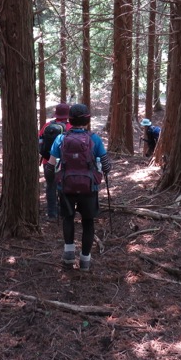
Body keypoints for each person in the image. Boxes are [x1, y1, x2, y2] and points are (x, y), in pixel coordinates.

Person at [48, 103, 111, 272]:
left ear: (70, 120)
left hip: (66, 187)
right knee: (88, 222)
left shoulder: (61, 139)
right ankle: (85, 261)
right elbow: (106, 166)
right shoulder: (94, 139)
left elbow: (51, 164)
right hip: (89, 188)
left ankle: (68, 256)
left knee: (68, 218)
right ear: (87, 120)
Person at [38, 103, 71, 220]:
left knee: (50, 186)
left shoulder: (47, 125)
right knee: (65, 186)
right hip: (65, 164)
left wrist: (46, 156)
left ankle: (52, 214)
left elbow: (39, 143)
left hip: (48, 162)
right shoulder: (71, 127)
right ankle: (64, 212)